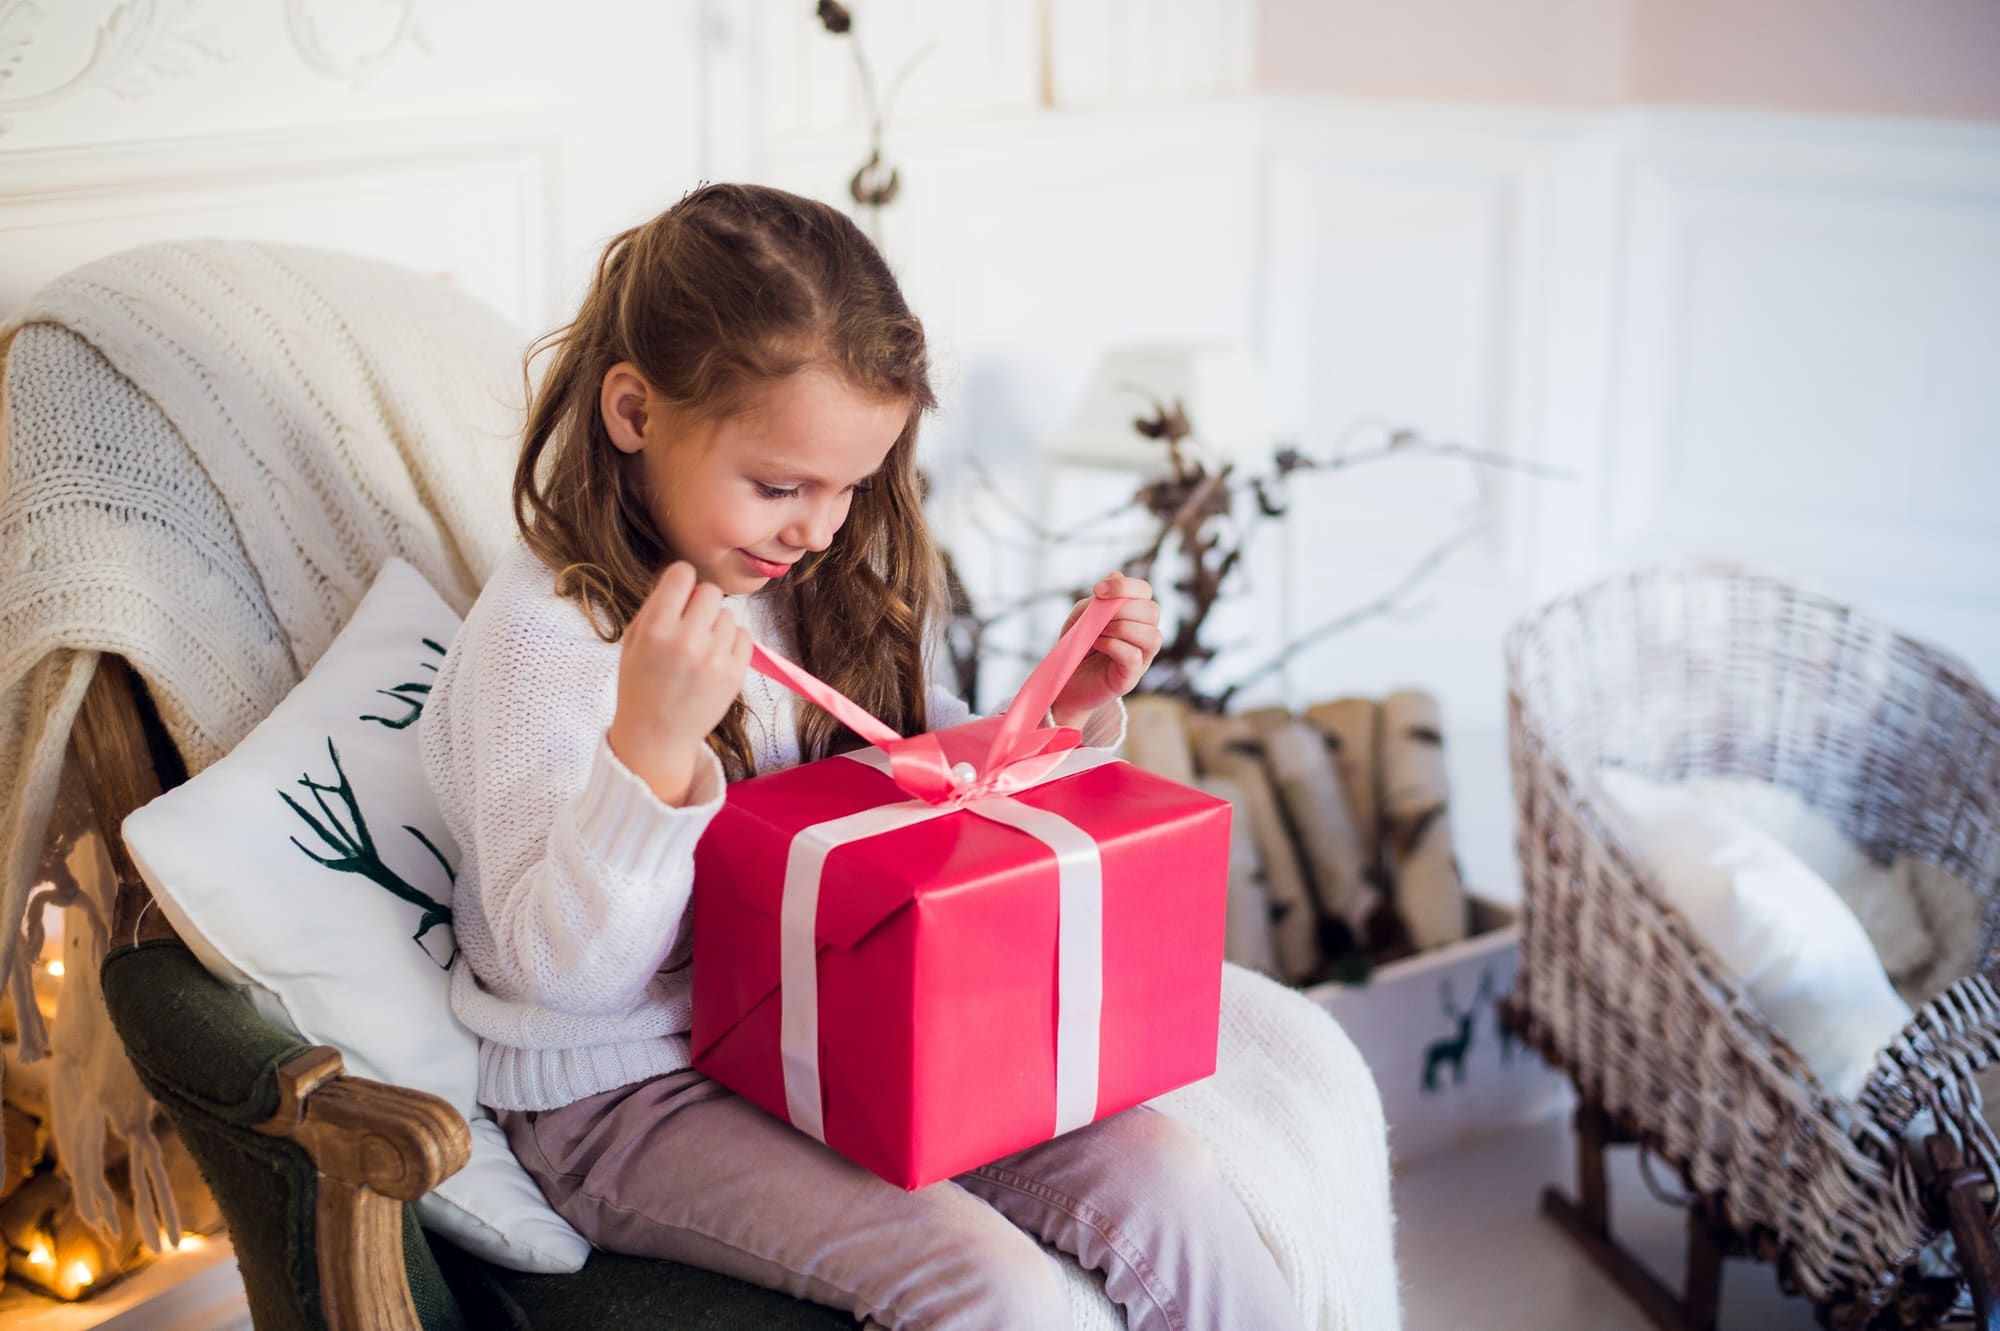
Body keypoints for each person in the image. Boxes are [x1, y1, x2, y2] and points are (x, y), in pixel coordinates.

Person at [419, 183, 1302, 1330]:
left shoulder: (810, 583)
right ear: (632, 412)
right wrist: (647, 755)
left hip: (836, 1017)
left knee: (1171, 1177)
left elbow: (913, 796)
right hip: (626, 1088)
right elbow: (564, 975)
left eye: (849, 486)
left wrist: (1057, 711)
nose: (818, 528)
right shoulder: (548, 640)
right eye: (780, 485)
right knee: (991, 1287)